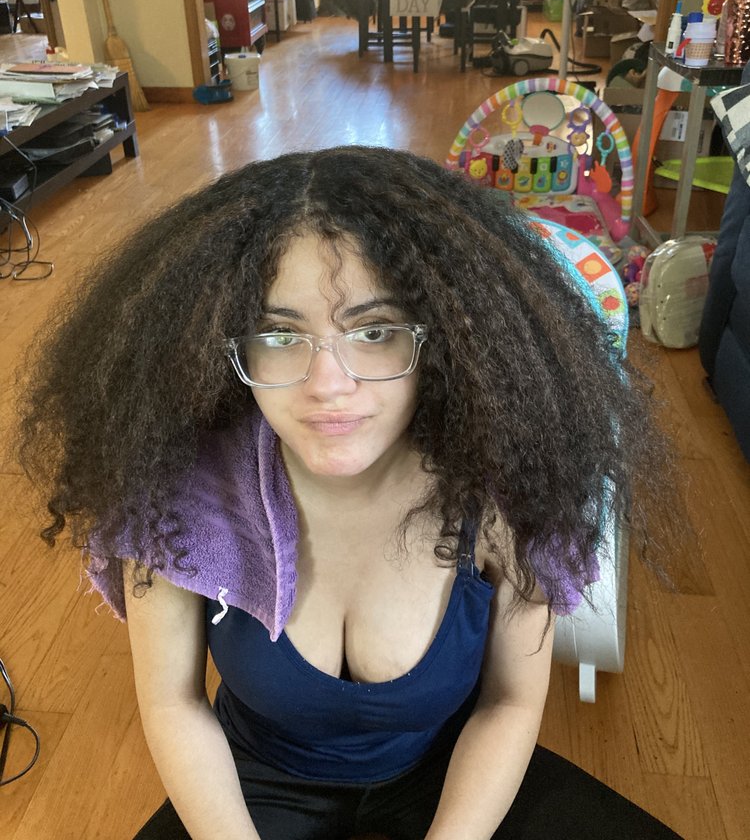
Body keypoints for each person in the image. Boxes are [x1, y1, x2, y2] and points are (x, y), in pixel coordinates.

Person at [18, 147, 681, 840]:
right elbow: (172, 704)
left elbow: (509, 704)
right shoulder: (173, 496)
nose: (328, 385)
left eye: (375, 331)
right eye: (280, 334)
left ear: (448, 339)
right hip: (251, 786)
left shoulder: (503, 495)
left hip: (452, 774)